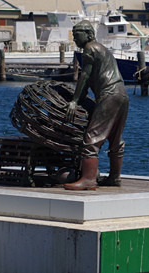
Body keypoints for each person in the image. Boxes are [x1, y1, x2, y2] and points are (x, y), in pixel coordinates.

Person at [64, 20, 129, 190]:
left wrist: (74, 101)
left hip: (108, 95)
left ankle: (88, 180)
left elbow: (84, 77)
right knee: (115, 139)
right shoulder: (101, 48)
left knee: (91, 138)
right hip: (121, 95)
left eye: (77, 35)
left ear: (88, 34)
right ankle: (114, 177)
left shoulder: (90, 48)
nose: (75, 39)